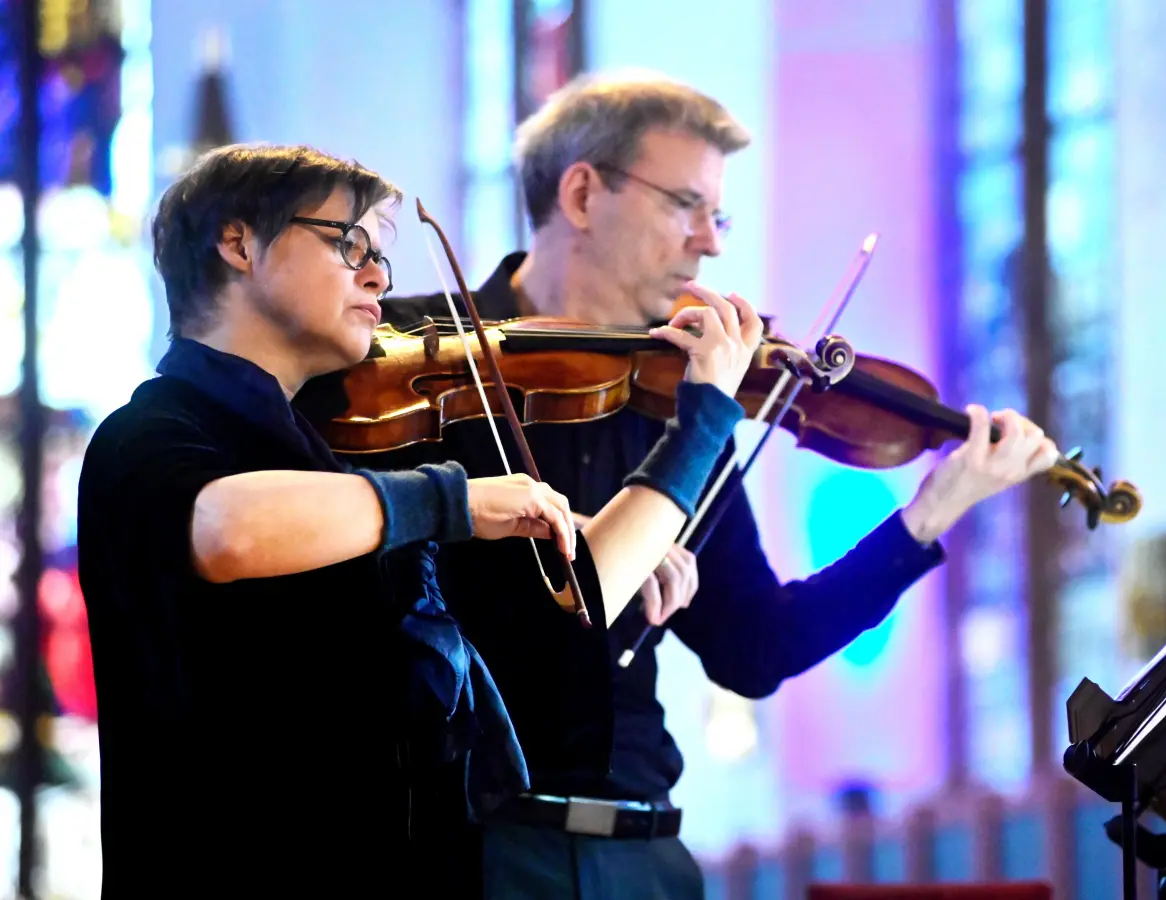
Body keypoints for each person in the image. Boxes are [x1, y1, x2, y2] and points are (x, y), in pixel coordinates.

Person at [326, 70, 1063, 899]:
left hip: (648, 854)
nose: (710, 242)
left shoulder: (682, 397)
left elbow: (755, 648)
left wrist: (934, 512)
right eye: (688, 205)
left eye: (720, 216)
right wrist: (584, 530)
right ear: (581, 194)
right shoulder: (411, 359)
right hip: (472, 852)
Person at [78, 142, 759, 895]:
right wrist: (457, 499)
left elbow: (574, 594)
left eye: (381, 255)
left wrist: (651, 477)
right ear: (238, 242)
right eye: (349, 245)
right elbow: (225, 530)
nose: (377, 276)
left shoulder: (329, 464)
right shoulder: (151, 433)